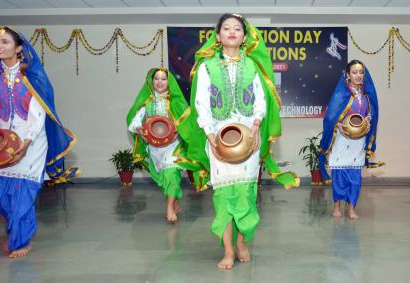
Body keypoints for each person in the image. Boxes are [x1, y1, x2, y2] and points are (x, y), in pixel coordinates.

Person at [175, 13, 299, 269]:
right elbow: (201, 103)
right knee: (223, 196)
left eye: (237, 29)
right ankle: (228, 250)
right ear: (218, 36)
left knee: (246, 194)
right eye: (226, 28)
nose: (232, 32)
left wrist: (254, 130)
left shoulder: (253, 65)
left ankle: (243, 240)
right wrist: (211, 137)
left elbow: (260, 100)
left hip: (249, 138)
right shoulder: (207, 66)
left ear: (244, 37)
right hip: (217, 137)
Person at [0, 27, 78, 258]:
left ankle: (21, 241)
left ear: (18, 48)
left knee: (23, 190)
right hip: (1, 136)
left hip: (31, 136)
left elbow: (38, 111)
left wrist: (28, 140)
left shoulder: (32, 74)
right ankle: (12, 219)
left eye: (5, 41)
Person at [318, 60, 380, 219]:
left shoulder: (367, 95)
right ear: (348, 75)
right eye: (354, 72)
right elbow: (330, 116)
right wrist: (337, 124)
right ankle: (337, 207)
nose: (358, 75)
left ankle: (352, 208)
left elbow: (372, 114)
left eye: (361, 72)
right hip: (341, 138)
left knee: (355, 175)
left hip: (358, 140)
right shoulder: (341, 93)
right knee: (339, 174)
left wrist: (367, 120)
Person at [126, 68, 189, 223]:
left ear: (169, 82)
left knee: (171, 174)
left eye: (163, 79)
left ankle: (169, 210)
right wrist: (139, 129)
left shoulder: (175, 102)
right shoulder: (146, 103)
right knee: (163, 178)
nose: (160, 82)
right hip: (155, 148)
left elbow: (187, 123)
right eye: (157, 79)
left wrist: (178, 132)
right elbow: (133, 123)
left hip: (174, 146)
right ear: (151, 81)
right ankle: (174, 202)